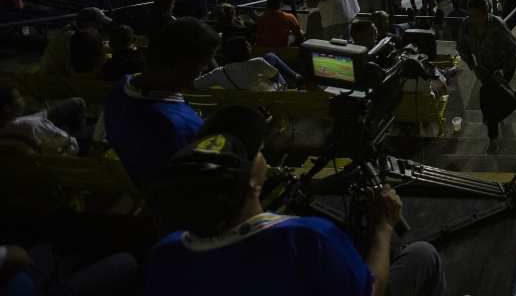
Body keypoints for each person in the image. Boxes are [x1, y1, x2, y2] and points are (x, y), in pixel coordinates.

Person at [145, 106, 445, 296]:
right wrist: (382, 227)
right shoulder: (306, 238)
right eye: (257, 154)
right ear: (253, 182)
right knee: (423, 253)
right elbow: (371, 290)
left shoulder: (164, 253)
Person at [104, 17, 220, 186]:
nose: (204, 71)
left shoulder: (119, 90)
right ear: (185, 65)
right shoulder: (178, 126)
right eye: (203, 65)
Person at [457, 0, 516, 153]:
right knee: (495, 98)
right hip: (484, 69)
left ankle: (493, 138)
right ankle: (511, 99)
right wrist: (472, 65)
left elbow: (514, 51)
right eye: (471, 15)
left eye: (478, 15)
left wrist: (503, 70)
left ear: (486, 13)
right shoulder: (466, 25)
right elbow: (461, 47)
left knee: (488, 98)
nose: (474, 19)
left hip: (503, 67)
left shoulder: (497, 25)